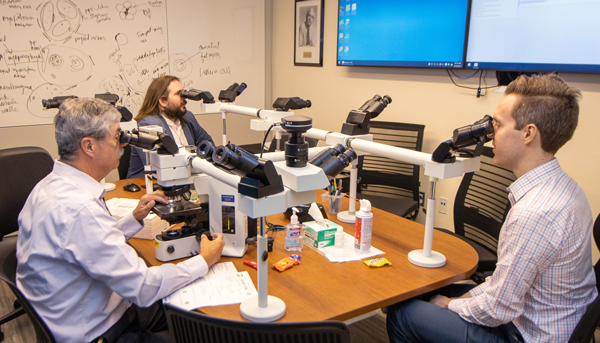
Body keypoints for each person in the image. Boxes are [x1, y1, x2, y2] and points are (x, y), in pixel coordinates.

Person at [386, 74, 597, 343]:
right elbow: (504, 286)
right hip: (543, 317)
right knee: (419, 291)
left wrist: (448, 304)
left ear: (529, 133)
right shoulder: (566, 186)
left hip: (527, 334)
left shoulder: (534, 213)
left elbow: (498, 308)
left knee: (403, 312)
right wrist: (459, 298)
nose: (488, 134)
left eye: (497, 125)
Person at [17, 97, 225, 343]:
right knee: (204, 329)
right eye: (118, 136)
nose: (123, 144)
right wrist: (204, 260)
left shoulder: (49, 185)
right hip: (101, 332)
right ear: (89, 146)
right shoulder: (80, 209)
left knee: (185, 311)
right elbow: (143, 287)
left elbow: (87, 245)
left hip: (80, 310)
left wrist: (134, 218)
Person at [126, 75, 214, 179]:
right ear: (163, 101)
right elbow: (162, 165)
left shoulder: (187, 117)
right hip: (149, 186)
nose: (184, 98)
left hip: (185, 180)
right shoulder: (148, 124)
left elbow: (210, 146)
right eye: (178, 94)